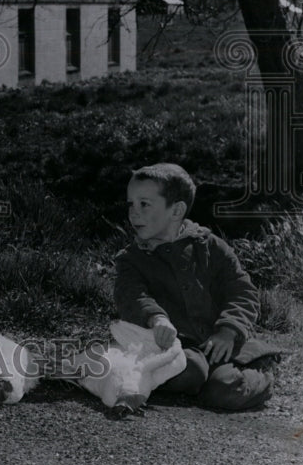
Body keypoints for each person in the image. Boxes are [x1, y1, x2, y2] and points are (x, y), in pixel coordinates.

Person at [114, 162, 277, 411]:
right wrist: (156, 319)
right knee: (190, 370)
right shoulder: (132, 259)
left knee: (225, 392)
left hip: (220, 344)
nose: (133, 213)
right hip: (176, 347)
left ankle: (262, 372)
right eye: (130, 204)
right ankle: (181, 379)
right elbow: (132, 294)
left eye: (144, 204)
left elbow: (241, 291)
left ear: (176, 210)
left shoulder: (210, 247)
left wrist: (228, 330)